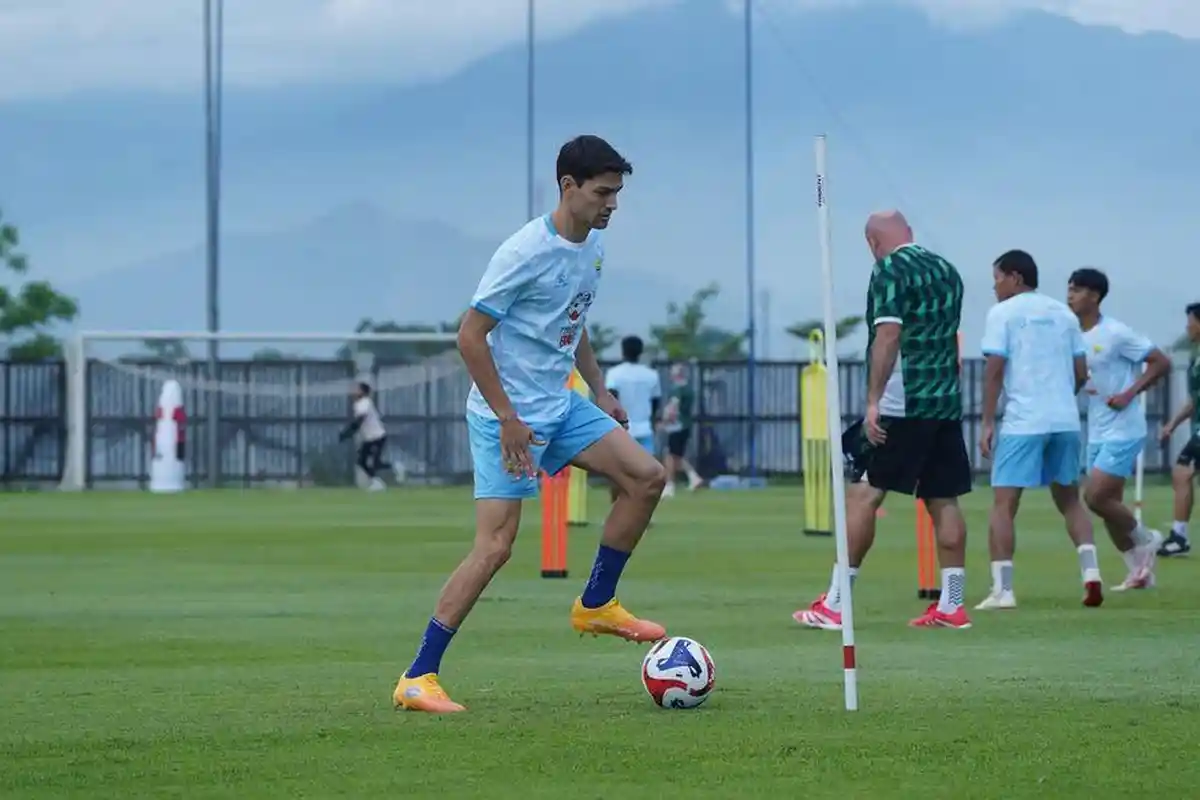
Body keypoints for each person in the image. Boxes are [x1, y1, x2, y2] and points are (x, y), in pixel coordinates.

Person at [392, 135, 667, 714]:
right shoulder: (523, 252)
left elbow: (575, 320)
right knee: (495, 548)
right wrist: (508, 418)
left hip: (561, 405)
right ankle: (418, 676)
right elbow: (469, 336)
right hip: (508, 417)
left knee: (646, 477)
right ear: (568, 187)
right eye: (602, 193)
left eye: (617, 194)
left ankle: (596, 604)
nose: (612, 204)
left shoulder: (591, 247)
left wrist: (598, 389)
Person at [794, 209, 973, 631]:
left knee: (863, 496)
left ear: (874, 243)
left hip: (901, 402)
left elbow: (889, 334)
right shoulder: (946, 269)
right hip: (943, 401)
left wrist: (873, 401)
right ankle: (953, 605)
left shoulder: (890, 269)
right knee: (943, 499)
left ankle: (836, 605)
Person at [975, 250, 1105, 611]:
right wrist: (1062, 397)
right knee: (1069, 501)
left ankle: (1003, 590)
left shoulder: (1002, 314)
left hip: (1023, 421)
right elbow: (1081, 373)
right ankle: (1091, 574)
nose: (995, 287)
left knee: (1004, 504)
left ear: (1015, 278)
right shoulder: (1064, 314)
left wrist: (987, 422)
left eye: (998, 278)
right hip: (1064, 420)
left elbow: (995, 370)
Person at [1067, 268, 1169, 589]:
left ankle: (1147, 537)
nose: (1070, 296)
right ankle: (1139, 573)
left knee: (1095, 497)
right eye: (1069, 289)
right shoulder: (1071, 334)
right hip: (1096, 428)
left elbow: (1161, 362)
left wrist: (1129, 394)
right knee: (1110, 506)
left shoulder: (1116, 333)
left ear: (1094, 296)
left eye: (1077, 290)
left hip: (1124, 428)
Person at [1157, 302, 1200, 557]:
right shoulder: (1195, 358)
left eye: (1191, 322)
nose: (1188, 326)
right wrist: (1172, 425)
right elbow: (1194, 400)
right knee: (1182, 474)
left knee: (1182, 472)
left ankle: (1179, 536)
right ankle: (1179, 535)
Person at [604, 335, 662, 502]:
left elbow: (612, 400)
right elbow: (656, 402)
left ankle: (615, 511)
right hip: (644, 428)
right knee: (647, 477)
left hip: (621, 429)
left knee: (617, 474)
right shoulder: (651, 375)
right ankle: (642, 515)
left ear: (623, 351)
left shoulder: (615, 374)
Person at [660, 363, 703, 497]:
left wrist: (665, 420)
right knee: (676, 455)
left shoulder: (677, 389)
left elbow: (673, 405)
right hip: (686, 424)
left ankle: (669, 485)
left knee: (670, 455)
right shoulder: (689, 390)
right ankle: (693, 477)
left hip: (676, 425)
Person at [338, 382, 390, 492]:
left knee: (375, 462)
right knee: (362, 461)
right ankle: (376, 482)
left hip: (377, 436)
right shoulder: (358, 404)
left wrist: (347, 433)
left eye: (357, 389)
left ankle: (387, 475)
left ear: (362, 392)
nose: (354, 391)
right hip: (369, 438)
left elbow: (359, 421)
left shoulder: (365, 403)